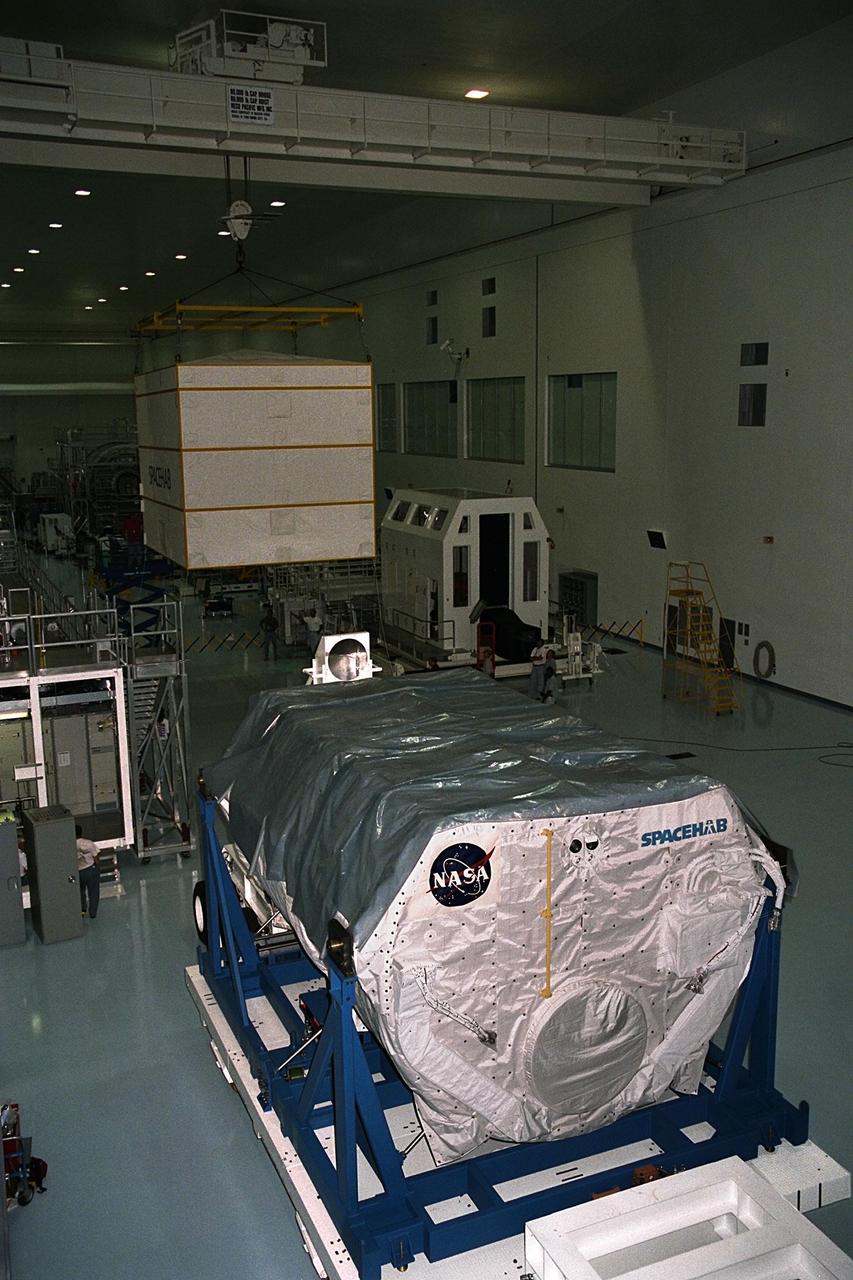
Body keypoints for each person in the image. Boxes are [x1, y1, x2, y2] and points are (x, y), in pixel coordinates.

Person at [76, 824, 100, 920]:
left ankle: (82, 909)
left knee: (80, 891)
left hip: (78, 871)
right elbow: (96, 857)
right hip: (91, 869)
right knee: (93, 891)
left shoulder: (68, 845)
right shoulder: (88, 843)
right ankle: (93, 913)